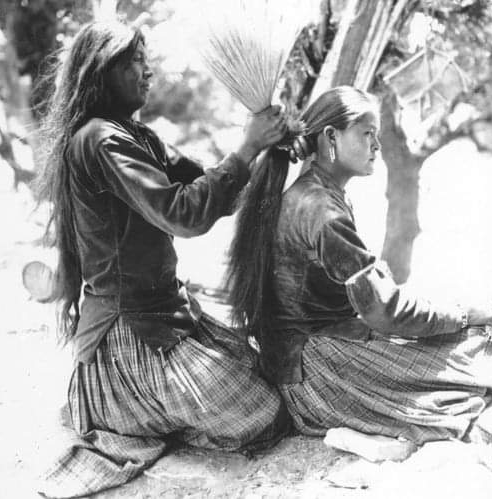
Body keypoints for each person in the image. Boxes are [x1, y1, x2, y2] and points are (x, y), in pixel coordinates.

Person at [37, 21, 295, 497]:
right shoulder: (100, 140)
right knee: (261, 411)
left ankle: (159, 412)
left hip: (161, 318)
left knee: (259, 370)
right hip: (127, 337)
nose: (148, 70)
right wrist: (248, 146)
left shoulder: (135, 136)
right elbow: (184, 215)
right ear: (103, 70)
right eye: (135, 60)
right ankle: (135, 412)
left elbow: (212, 190)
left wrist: (262, 148)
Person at [226, 85, 492, 461]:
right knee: (485, 344)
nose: (377, 145)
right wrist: (464, 312)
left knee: (464, 339)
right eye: (367, 133)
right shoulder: (322, 212)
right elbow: (386, 311)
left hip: (300, 364)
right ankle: (366, 428)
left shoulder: (313, 195)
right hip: (316, 374)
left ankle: (367, 424)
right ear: (331, 137)